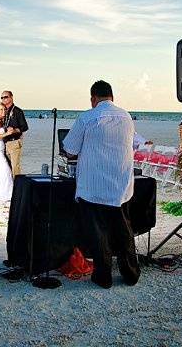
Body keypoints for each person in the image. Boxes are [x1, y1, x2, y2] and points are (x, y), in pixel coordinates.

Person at [63, 80, 139, 289]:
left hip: (94, 186)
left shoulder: (87, 117)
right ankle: (131, 273)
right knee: (124, 232)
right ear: (112, 97)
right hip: (121, 185)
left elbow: (70, 149)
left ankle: (103, 277)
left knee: (99, 235)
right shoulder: (126, 116)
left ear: (93, 98)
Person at [0, 91, 28, 178]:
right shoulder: (3, 111)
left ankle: (17, 187)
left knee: (15, 167)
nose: (4, 99)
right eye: (2, 97)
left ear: (11, 97)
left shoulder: (18, 111)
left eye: (6, 97)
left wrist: (14, 130)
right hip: (4, 142)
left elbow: (25, 127)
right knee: (6, 167)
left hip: (14, 142)